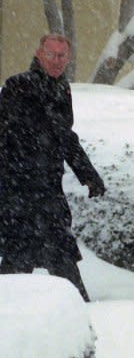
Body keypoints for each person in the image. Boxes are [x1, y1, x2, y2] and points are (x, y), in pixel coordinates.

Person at [0, 33, 105, 302]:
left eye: (62, 56)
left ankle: (79, 306)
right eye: (51, 55)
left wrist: (88, 175)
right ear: (39, 54)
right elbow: (8, 135)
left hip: (47, 190)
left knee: (57, 255)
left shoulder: (62, 89)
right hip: (19, 190)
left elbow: (65, 137)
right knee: (19, 257)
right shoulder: (18, 86)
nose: (57, 61)